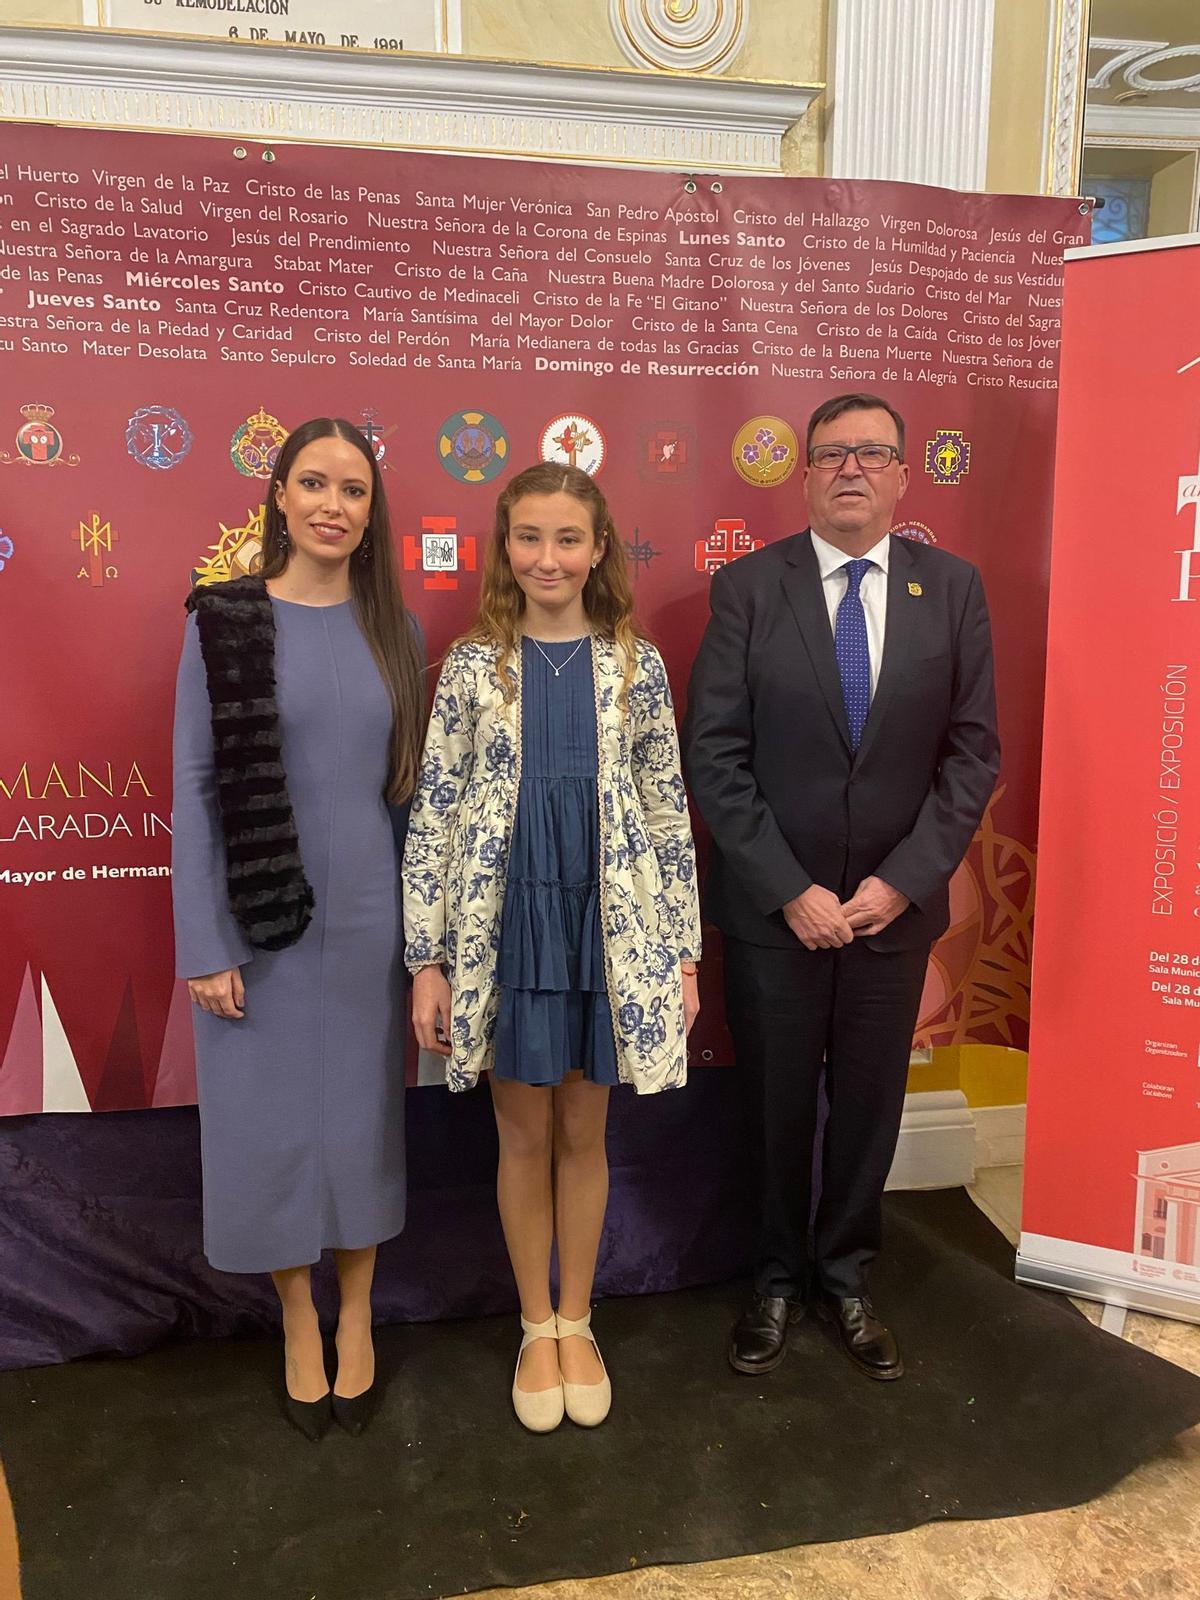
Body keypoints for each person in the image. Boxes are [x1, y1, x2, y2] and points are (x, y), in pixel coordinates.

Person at [683, 392, 999, 1382]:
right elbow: (715, 756)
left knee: (869, 1104)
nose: (852, 468)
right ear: (806, 473)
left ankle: (848, 1275)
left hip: (892, 920)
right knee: (774, 1105)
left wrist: (902, 883)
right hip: (778, 917)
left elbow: (973, 754)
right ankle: (775, 1279)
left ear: (904, 476)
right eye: (832, 454)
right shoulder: (746, 589)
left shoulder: (951, 588)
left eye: (872, 453)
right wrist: (789, 888)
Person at [403, 462, 700, 1433]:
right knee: (521, 1135)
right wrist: (428, 958)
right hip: (505, 934)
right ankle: (534, 1325)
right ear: (505, 548)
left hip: (608, 935)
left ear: (599, 548)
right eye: (528, 537)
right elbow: (436, 814)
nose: (548, 557)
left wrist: (683, 954)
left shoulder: (635, 664)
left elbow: (666, 809)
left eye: (567, 538)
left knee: (587, 1133)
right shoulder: (472, 664)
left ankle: (580, 1319)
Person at [171, 417, 425, 1440]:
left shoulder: (395, 632)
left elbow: (411, 799)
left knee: (363, 1116)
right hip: (258, 918)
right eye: (313, 483)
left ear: (372, 511)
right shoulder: (223, 621)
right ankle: (295, 1314)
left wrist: (427, 950)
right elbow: (193, 790)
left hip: (370, 914)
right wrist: (204, 942)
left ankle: (357, 1310)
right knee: (271, 1125)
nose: (332, 504)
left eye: (353, 489)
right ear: (278, 496)